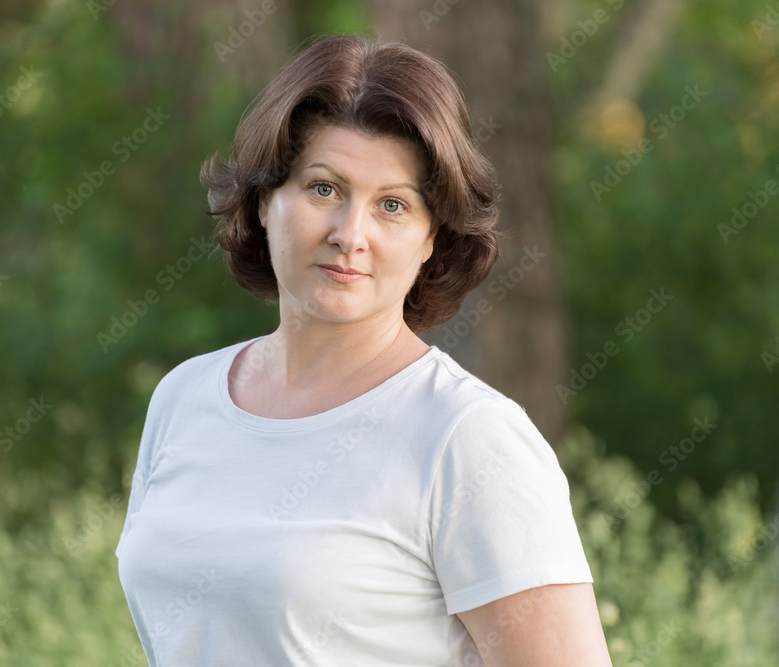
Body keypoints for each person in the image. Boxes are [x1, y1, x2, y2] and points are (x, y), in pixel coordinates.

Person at [116, 34, 612, 666]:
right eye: (324, 189)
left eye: (393, 206)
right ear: (266, 199)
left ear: (433, 237)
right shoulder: (184, 397)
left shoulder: (469, 439)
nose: (351, 235)